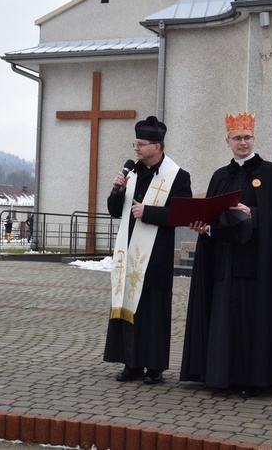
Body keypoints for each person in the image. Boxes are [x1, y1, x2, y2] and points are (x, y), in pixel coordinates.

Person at [180, 112, 272, 397]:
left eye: (247, 137)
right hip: (226, 264)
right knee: (224, 319)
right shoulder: (220, 176)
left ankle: (255, 380)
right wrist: (205, 228)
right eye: (237, 138)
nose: (243, 143)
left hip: (260, 265)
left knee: (255, 320)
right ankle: (221, 377)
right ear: (227, 141)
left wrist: (253, 213)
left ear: (254, 139)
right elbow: (212, 220)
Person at [104, 116, 192, 385]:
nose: (136, 149)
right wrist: (117, 189)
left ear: (157, 146)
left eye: (141, 144)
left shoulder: (178, 175)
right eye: (136, 144)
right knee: (129, 305)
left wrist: (149, 212)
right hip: (128, 253)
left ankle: (154, 367)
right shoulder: (132, 172)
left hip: (156, 256)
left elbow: (182, 215)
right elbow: (113, 211)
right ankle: (131, 364)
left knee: (153, 311)